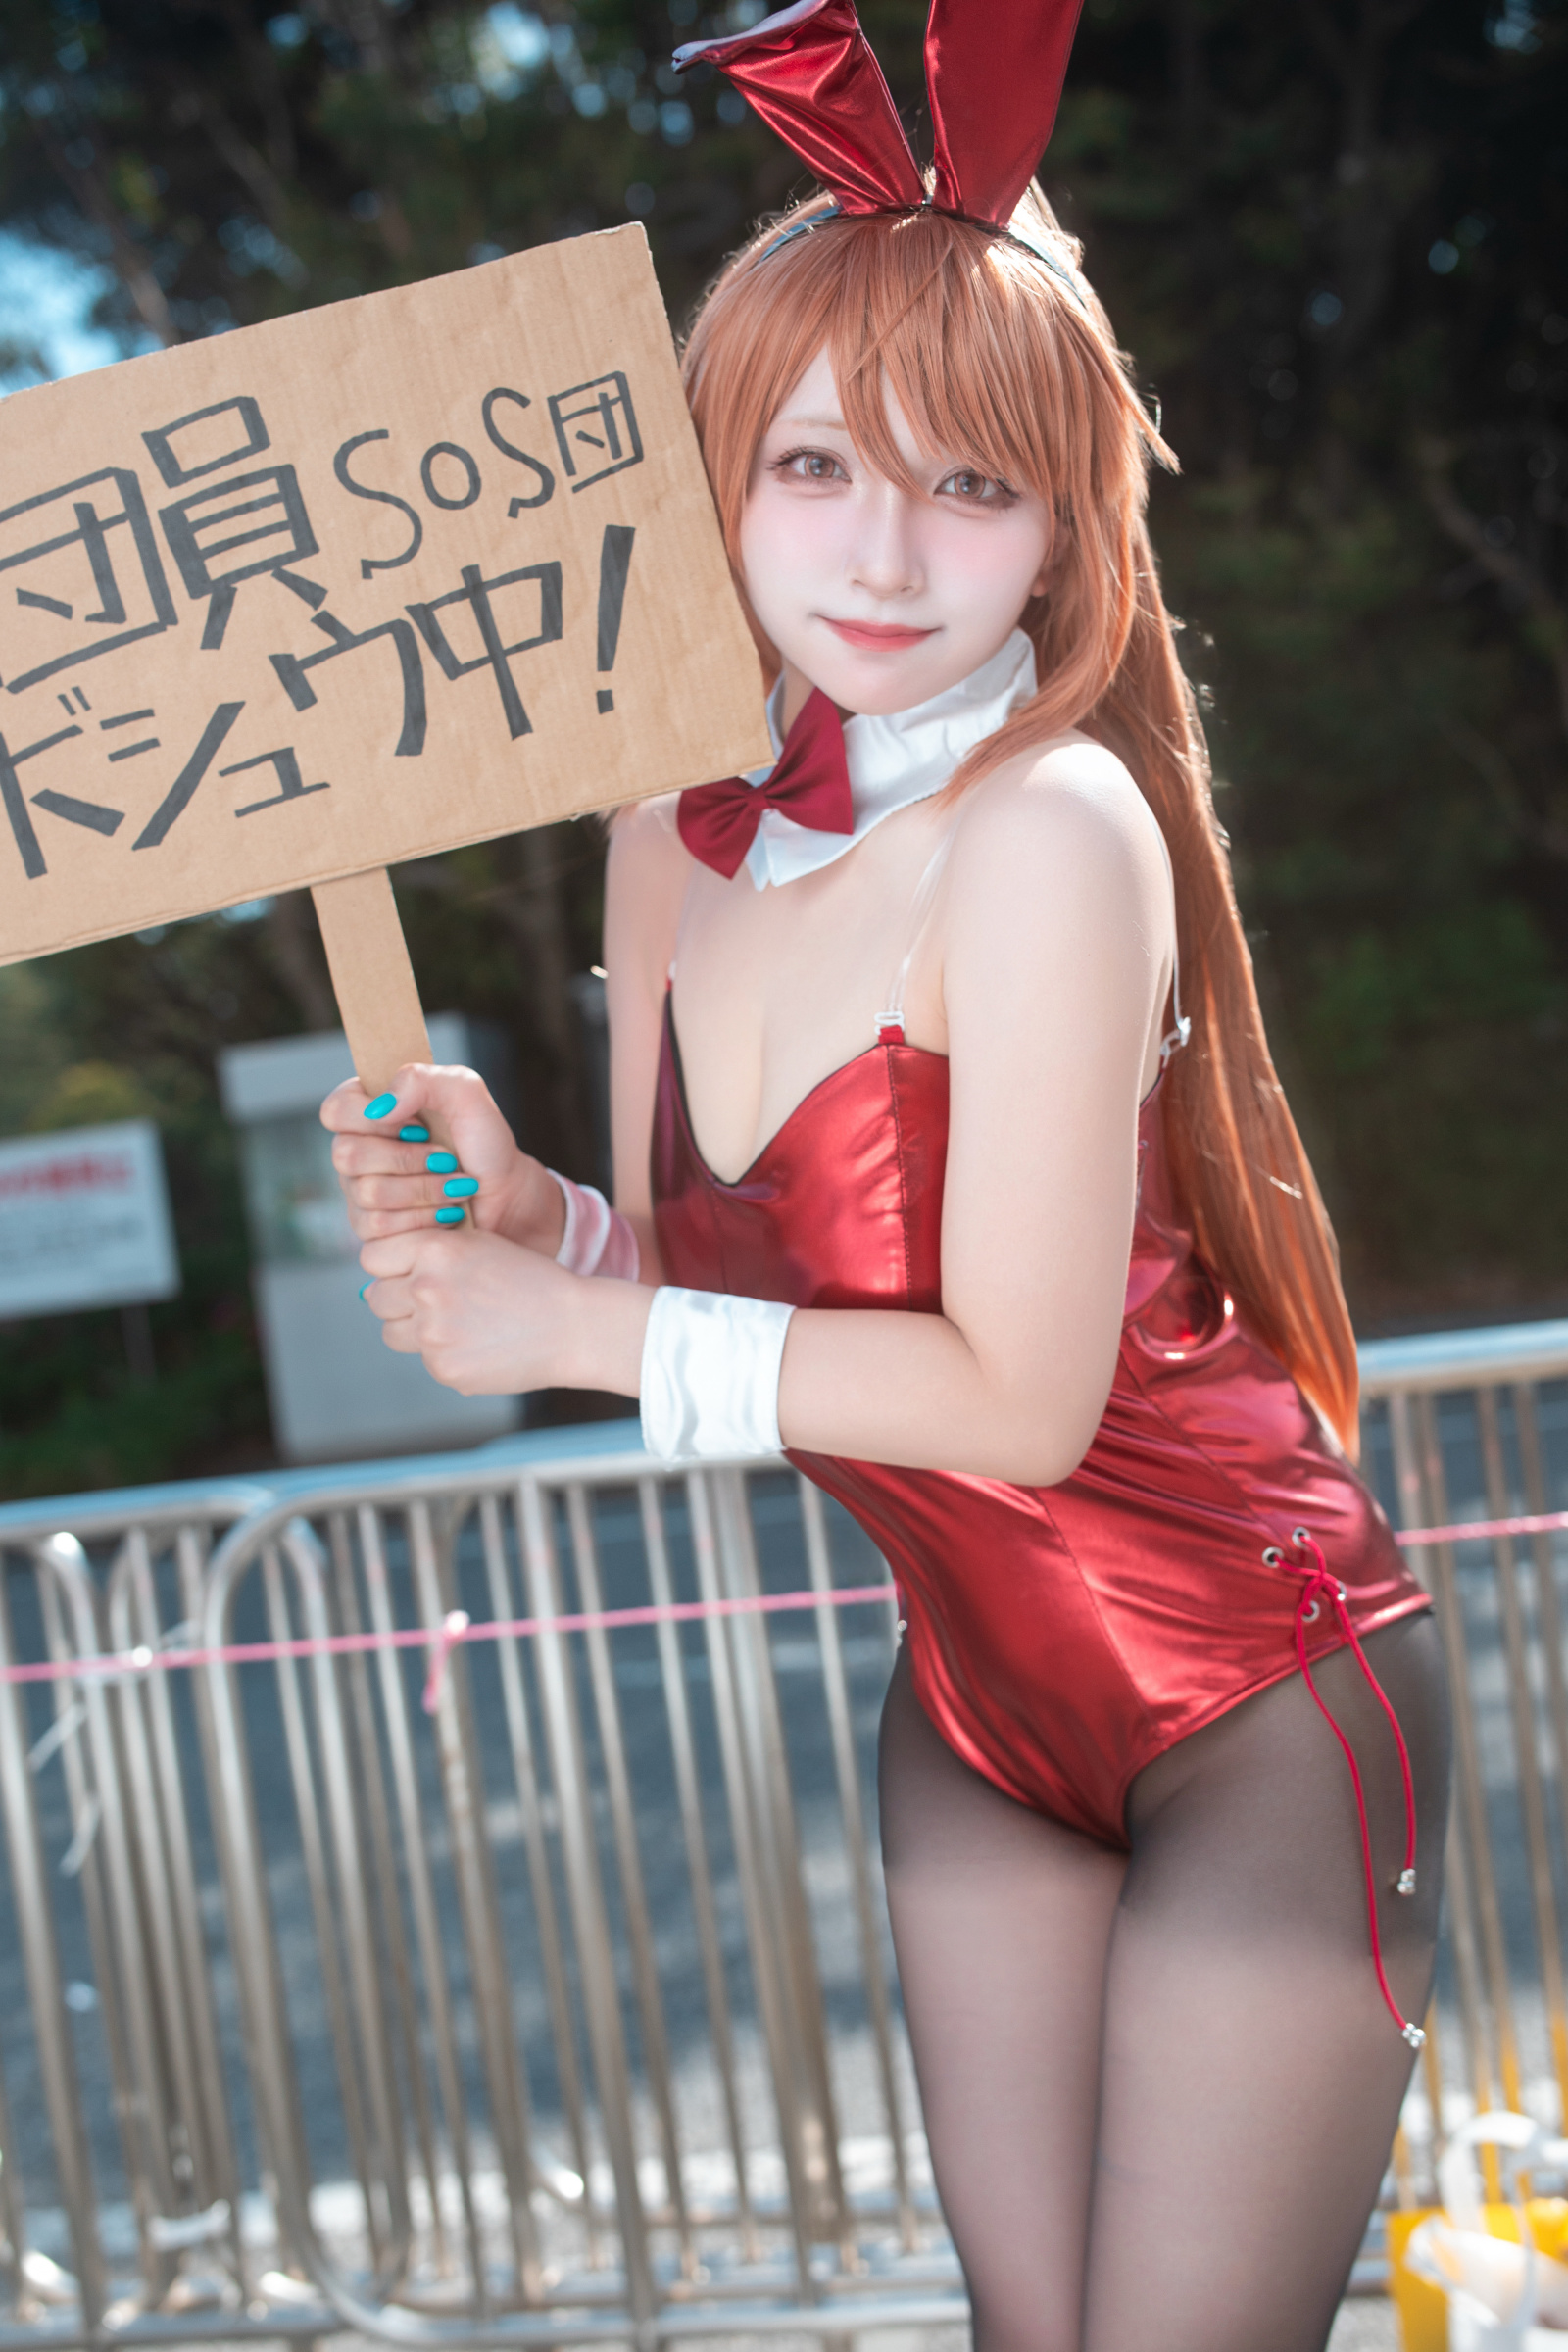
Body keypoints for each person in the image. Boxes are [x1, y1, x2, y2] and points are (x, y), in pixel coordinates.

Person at [322, 6, 1451, 2344]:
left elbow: (1016, 1401)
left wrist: (581, 1328)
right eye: (816, 461)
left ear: (1063, 521)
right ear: (717, 479)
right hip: (967, 1709)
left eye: (969, 481)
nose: (882, 548)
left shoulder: (1051, 825)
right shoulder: (668, 839)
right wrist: (535, 1222)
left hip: (1256, 1690)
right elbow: (723, 1278)